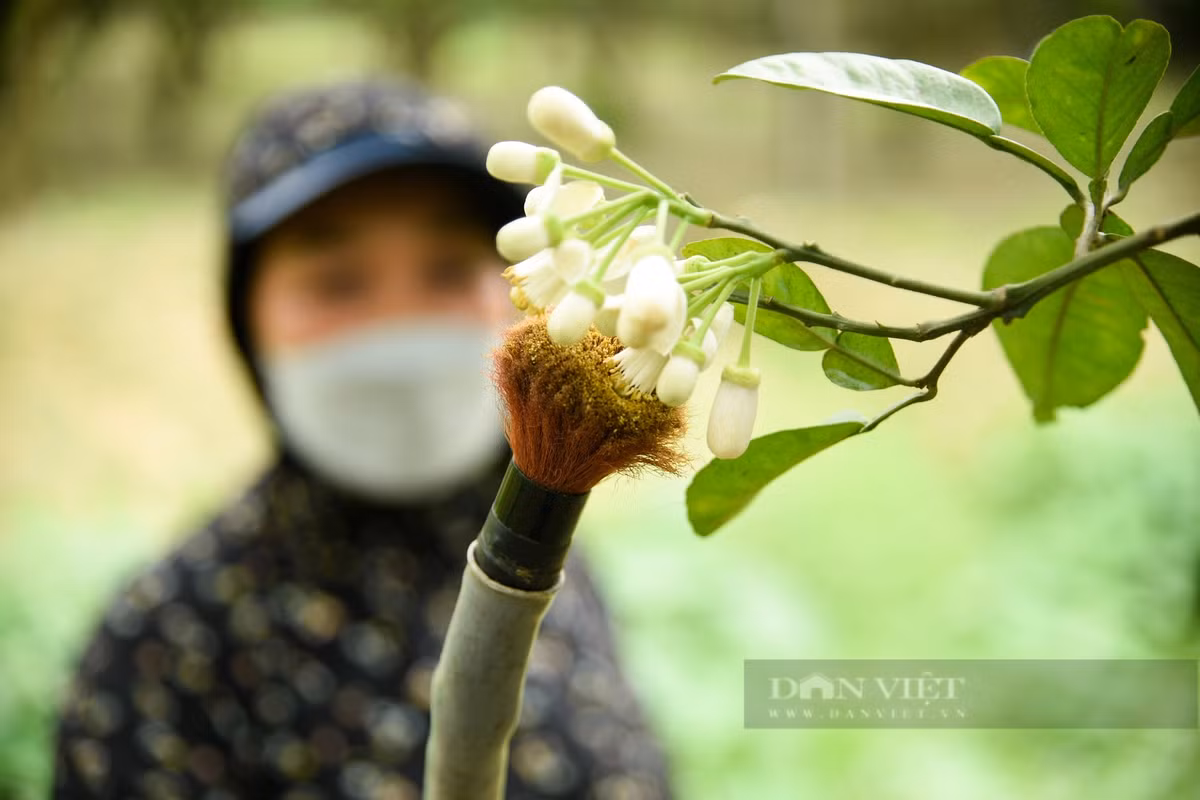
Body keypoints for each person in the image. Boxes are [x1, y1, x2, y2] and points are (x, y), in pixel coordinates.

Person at [52, 80, 674, 799]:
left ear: (520, 296)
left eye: (446, 271)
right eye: (337, 283)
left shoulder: (559, 560)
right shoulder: (166, 649)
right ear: (248, 323)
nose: (398, 324)